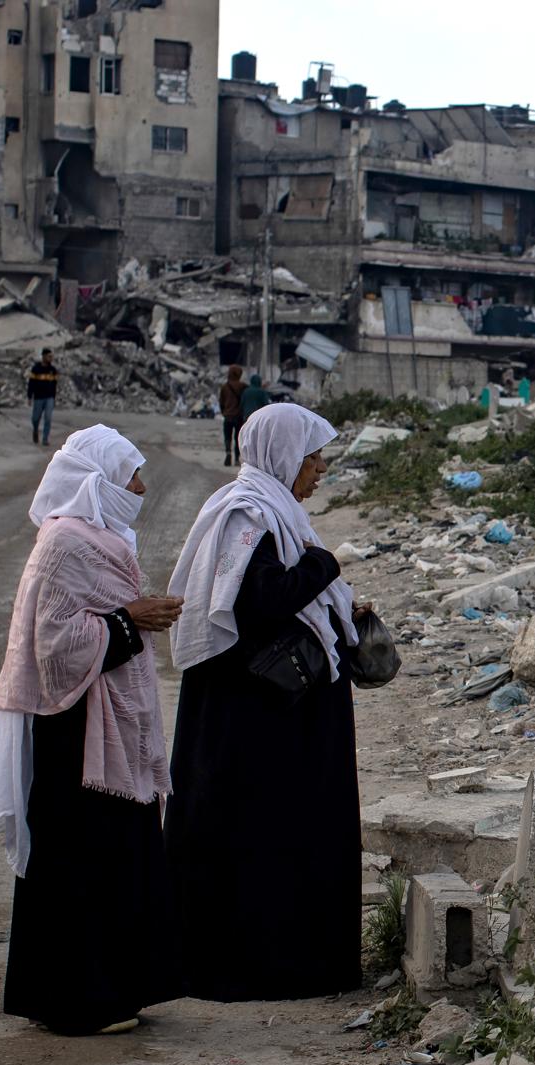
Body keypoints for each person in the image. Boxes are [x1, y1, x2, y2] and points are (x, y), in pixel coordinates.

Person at [0, 426, 185, 1035]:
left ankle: (112, 989)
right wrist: (131, 618)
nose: (139, 487)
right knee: (81, 865)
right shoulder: (66, 543)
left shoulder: (101, 539)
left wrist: (130, 616)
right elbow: (56, 647)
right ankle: (80, 1002)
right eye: (130, 475)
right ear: (98, 481)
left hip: (104, 723)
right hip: (74, 731)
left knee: (114, 861)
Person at [164, 403, 368, 1001]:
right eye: (313, 457)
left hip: (275, 718)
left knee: (288, 834)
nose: (321, 469)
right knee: (257, 838)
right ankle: (257, 967)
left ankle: (299, 960)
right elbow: (261, 600)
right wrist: (325, 565)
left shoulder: (274, 510)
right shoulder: (247, 514)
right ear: (283, 456)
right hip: (254, 721)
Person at [219, 365, 248, 468]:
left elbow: (221, 402)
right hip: (238, 416)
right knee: (238, 438)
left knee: (228, 437)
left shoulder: (225, 387)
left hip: (228, 416)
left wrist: (224, 412)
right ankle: (236, 458)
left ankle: (228, 453)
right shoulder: (243, 387)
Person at [28, 348, 59, 447]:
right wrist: (29, 397)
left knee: (48, 418)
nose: (51, 358)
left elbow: (54, 385)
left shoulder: (53, 370)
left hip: (49, 398)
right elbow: (31, 383)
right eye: (49, 356)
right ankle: (35, 430)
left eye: (51, 356)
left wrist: (54, 398)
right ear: (44, 356)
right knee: (35, 418)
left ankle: (45, 439)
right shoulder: (36, 369)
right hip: (38, 398)